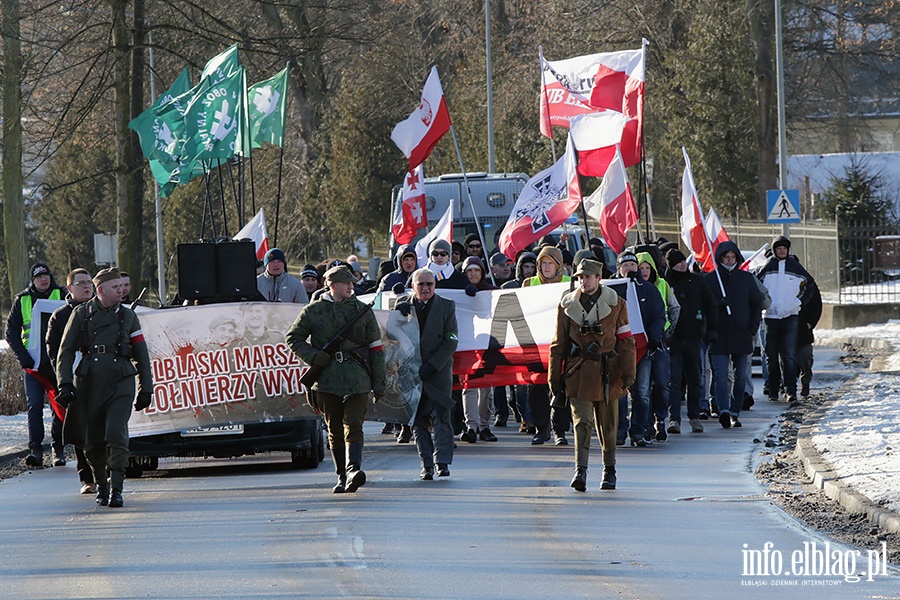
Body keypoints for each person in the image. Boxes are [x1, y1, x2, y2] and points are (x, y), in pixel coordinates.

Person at [55, 268, 153, 508]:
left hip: (121, 380)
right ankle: (102, 483)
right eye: (115, 287)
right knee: (92, 439)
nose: (122, 290)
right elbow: (65, 352)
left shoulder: (128, 317)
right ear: (101, 290)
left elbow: (141, 354)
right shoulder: (81, 314)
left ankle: (117, 488)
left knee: (116, 433)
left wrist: (146, 388)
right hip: (89, 382)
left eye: (122, 286)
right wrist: (65, 383)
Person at [285, 265, 386, 493]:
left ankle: (354, 470)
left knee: (354, 424)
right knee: (334, 429)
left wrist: (379, 383)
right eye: (345, 283)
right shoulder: (314, 311)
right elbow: (293, 337)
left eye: (351, 282)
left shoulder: (362, 310)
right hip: (327, 378)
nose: (351, 286)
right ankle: (341, 475)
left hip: (358, 377)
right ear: (332, 285)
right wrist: (313, 356)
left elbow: (376, 349)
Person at [549, 259, 635, 491]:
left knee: (608, 426)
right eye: (579, 277)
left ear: (599, 278)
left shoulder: (617, 304)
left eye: (587, 277)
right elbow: (558, 344)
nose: (583, 281)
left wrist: (628, 371)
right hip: (578, 372)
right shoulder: (566, 305)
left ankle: (609, 470)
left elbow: (626, 339)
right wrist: (554, 375)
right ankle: (581, 471)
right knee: (582, 423)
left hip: (608, 373)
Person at [395, 268, 458, 480]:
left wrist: (433, 365)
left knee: (441, 415)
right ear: (413, 286)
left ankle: (442, 462)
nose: (425, 288)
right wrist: (397, 312)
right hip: (411, 370)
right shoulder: (402, 304)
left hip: (437, 370)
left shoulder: (446, 306)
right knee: (418, 419)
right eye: (420, 284)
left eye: (429, 284)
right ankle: (427, 465)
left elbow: (451, 339)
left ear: (435, 285)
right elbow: (390, 333)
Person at [5, 262, 67, 468]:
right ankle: (36, 450)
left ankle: (58, 449)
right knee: (35, 406)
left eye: (46, 275)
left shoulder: (63, 294)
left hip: (57, 362)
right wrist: (23, 358)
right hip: (33, 364)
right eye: (39, 277)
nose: (44, 279)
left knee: (59, 405)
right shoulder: (22, 300)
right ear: (33, 280)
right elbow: (11, 333)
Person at [46, 268, 97, 493]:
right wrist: (63, 380)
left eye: (89, 282)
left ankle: (107, 474)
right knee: (81, 430)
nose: (87, 286)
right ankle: (87, 478)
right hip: (76, 380)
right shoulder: (60, 317)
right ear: (70, 288)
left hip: (103, 377)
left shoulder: (102, 309)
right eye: (81, 283)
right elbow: (55, 352)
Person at [705, 242, 764, 428]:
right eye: (726, 257)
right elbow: (704, 306)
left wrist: (752, 328)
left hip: (742, 334)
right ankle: (722, 408)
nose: (729, 261)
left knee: (740, 377)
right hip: (719, 335)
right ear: (720, 258)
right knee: (721, 375)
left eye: (732, 257)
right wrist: (717, 305)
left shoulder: (746, 279)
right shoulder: (711, 279)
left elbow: (757, 304)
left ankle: (735, 411)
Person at [614, 251, 666, 447]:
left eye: (633, 265)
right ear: (619, 269)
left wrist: (653, 337)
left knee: (642, 392)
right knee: (618, 393)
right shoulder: (611, 290)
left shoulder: (649, 290)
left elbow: (659, 316)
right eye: (625, 266)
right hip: (618, 351)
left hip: (643, 350)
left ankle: (638, 432)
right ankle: (619, 431)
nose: (630, 269)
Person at [663, 249, 717, 434]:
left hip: (694, 338)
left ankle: (694, 417)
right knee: (674, 380)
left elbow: (711, 305)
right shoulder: (665, 283)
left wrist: (711, 330)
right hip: (673, 340)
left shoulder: (697, 281)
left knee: (695, 379)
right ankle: (674, 419)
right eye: (677, 263)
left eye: (682, 261)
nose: (682, 265)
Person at [755, 236, 815, 403]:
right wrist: (763, 303)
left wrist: (797, 302)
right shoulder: (767, 267)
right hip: (770, 317)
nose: (781, 250)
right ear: (774, 250)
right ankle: (773, 389)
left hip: (790, 316)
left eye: (784, 248)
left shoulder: (796, 267)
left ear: (788, 250)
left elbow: (809, 285)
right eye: (778, 248)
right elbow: (755, 285)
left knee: (789, 355)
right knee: (771, 355)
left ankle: (791, 390)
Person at [523, 245, 572, 445]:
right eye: (543, 263)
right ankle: (541, 428)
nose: (546, 267)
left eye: (550, 263)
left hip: (562, 343)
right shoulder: (529, 283)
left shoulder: (570, 283)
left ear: (559, 265)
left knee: (561, 387)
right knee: (536, 388)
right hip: (536, 344)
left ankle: (559, 430)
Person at [636, 250, 680, 442]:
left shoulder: (662, 284)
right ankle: (645, 425)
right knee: (643, 388)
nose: (645, 271)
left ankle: (660, 419)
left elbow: (674, 307)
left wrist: (668, 331)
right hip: (641, 345)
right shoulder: (633, 287)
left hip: (660, 343)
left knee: (662, 384)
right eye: (641, 268)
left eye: (648, 267)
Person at [458, 257, 498, 443]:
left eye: (476, 270)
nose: (473, 274)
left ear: (482, 272)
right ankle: (471, 426)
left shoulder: (491, 291)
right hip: (467, 345)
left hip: (487, 344)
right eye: (469, 271)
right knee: (469, 387)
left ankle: (484, 426)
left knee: (486, 389)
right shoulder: (458, 292)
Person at [797, 279, 822, 399]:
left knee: (805, 356)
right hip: (784, 327)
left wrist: (810, 323)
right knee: (786, 360)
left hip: (803, 330)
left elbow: (817, 304)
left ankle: (805, 382)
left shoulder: (807, 281)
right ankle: (788, 386)